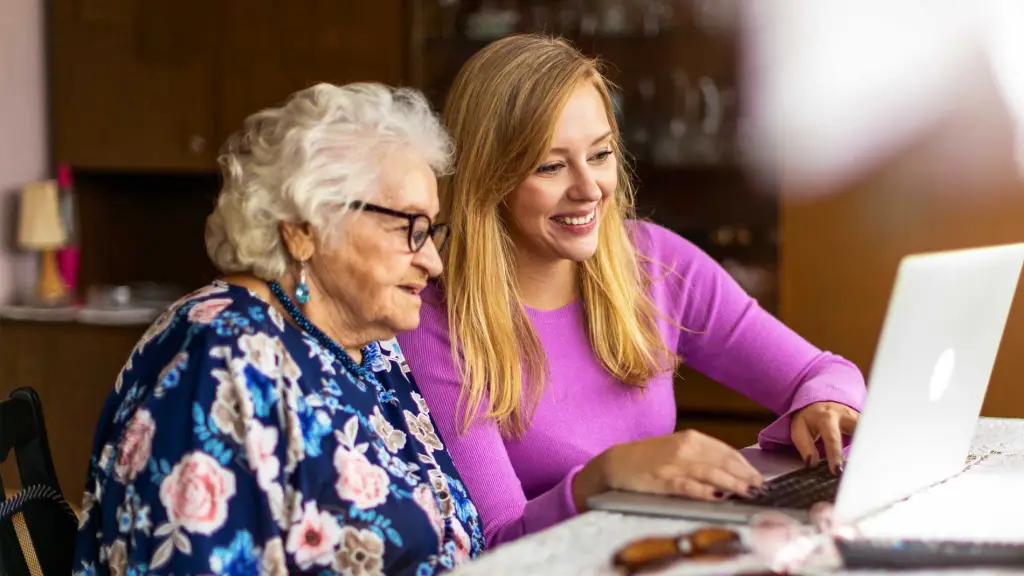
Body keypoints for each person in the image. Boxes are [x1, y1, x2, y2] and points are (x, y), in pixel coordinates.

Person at [395, 34, 867, 547]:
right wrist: (605, 475)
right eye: (550, 166)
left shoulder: (653, 260)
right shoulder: (433, 316)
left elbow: (823, 372)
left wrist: (825, 404)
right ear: (490, 179)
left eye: (600, 155)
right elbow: (495, 543)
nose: (589, 188)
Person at [73, 83, 484, 576]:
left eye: (431, 230)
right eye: (409, 228)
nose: (433, 262)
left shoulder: (371, 345)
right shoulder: (222, 357)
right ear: (304, 229)